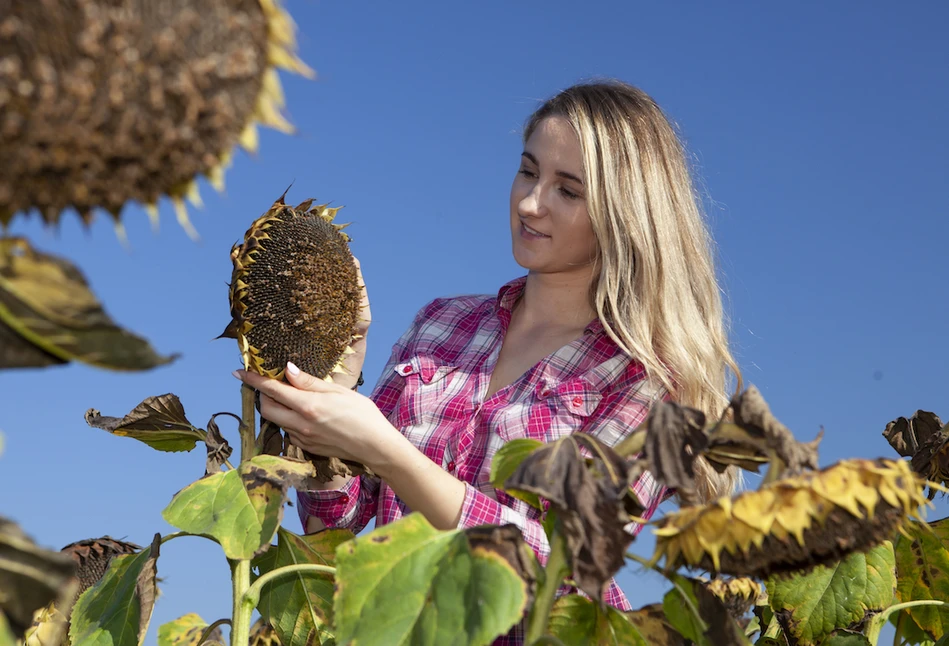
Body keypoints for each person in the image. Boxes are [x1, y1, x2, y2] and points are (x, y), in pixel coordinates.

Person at [234, 79, 741, 641]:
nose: (529, 203)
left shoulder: (648, 387)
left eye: (567, 191)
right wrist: (336, 390)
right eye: (528, 171)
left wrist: (388, 451)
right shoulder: (442, 324)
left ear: (624, 216)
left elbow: (563, 569)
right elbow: (344, 534)